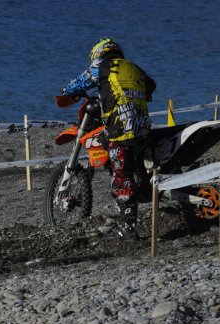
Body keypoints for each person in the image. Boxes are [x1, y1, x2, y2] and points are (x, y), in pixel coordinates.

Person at [62, 37, 156, 239]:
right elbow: (151, 86)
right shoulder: (134, 67)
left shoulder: (101, 66)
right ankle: (142, 187)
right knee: (131, 165)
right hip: (143, 126)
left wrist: (66, 92)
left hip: (120, 127)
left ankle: (129, 229)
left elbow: (78, 84)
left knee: (121, 176)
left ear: (98, 54)